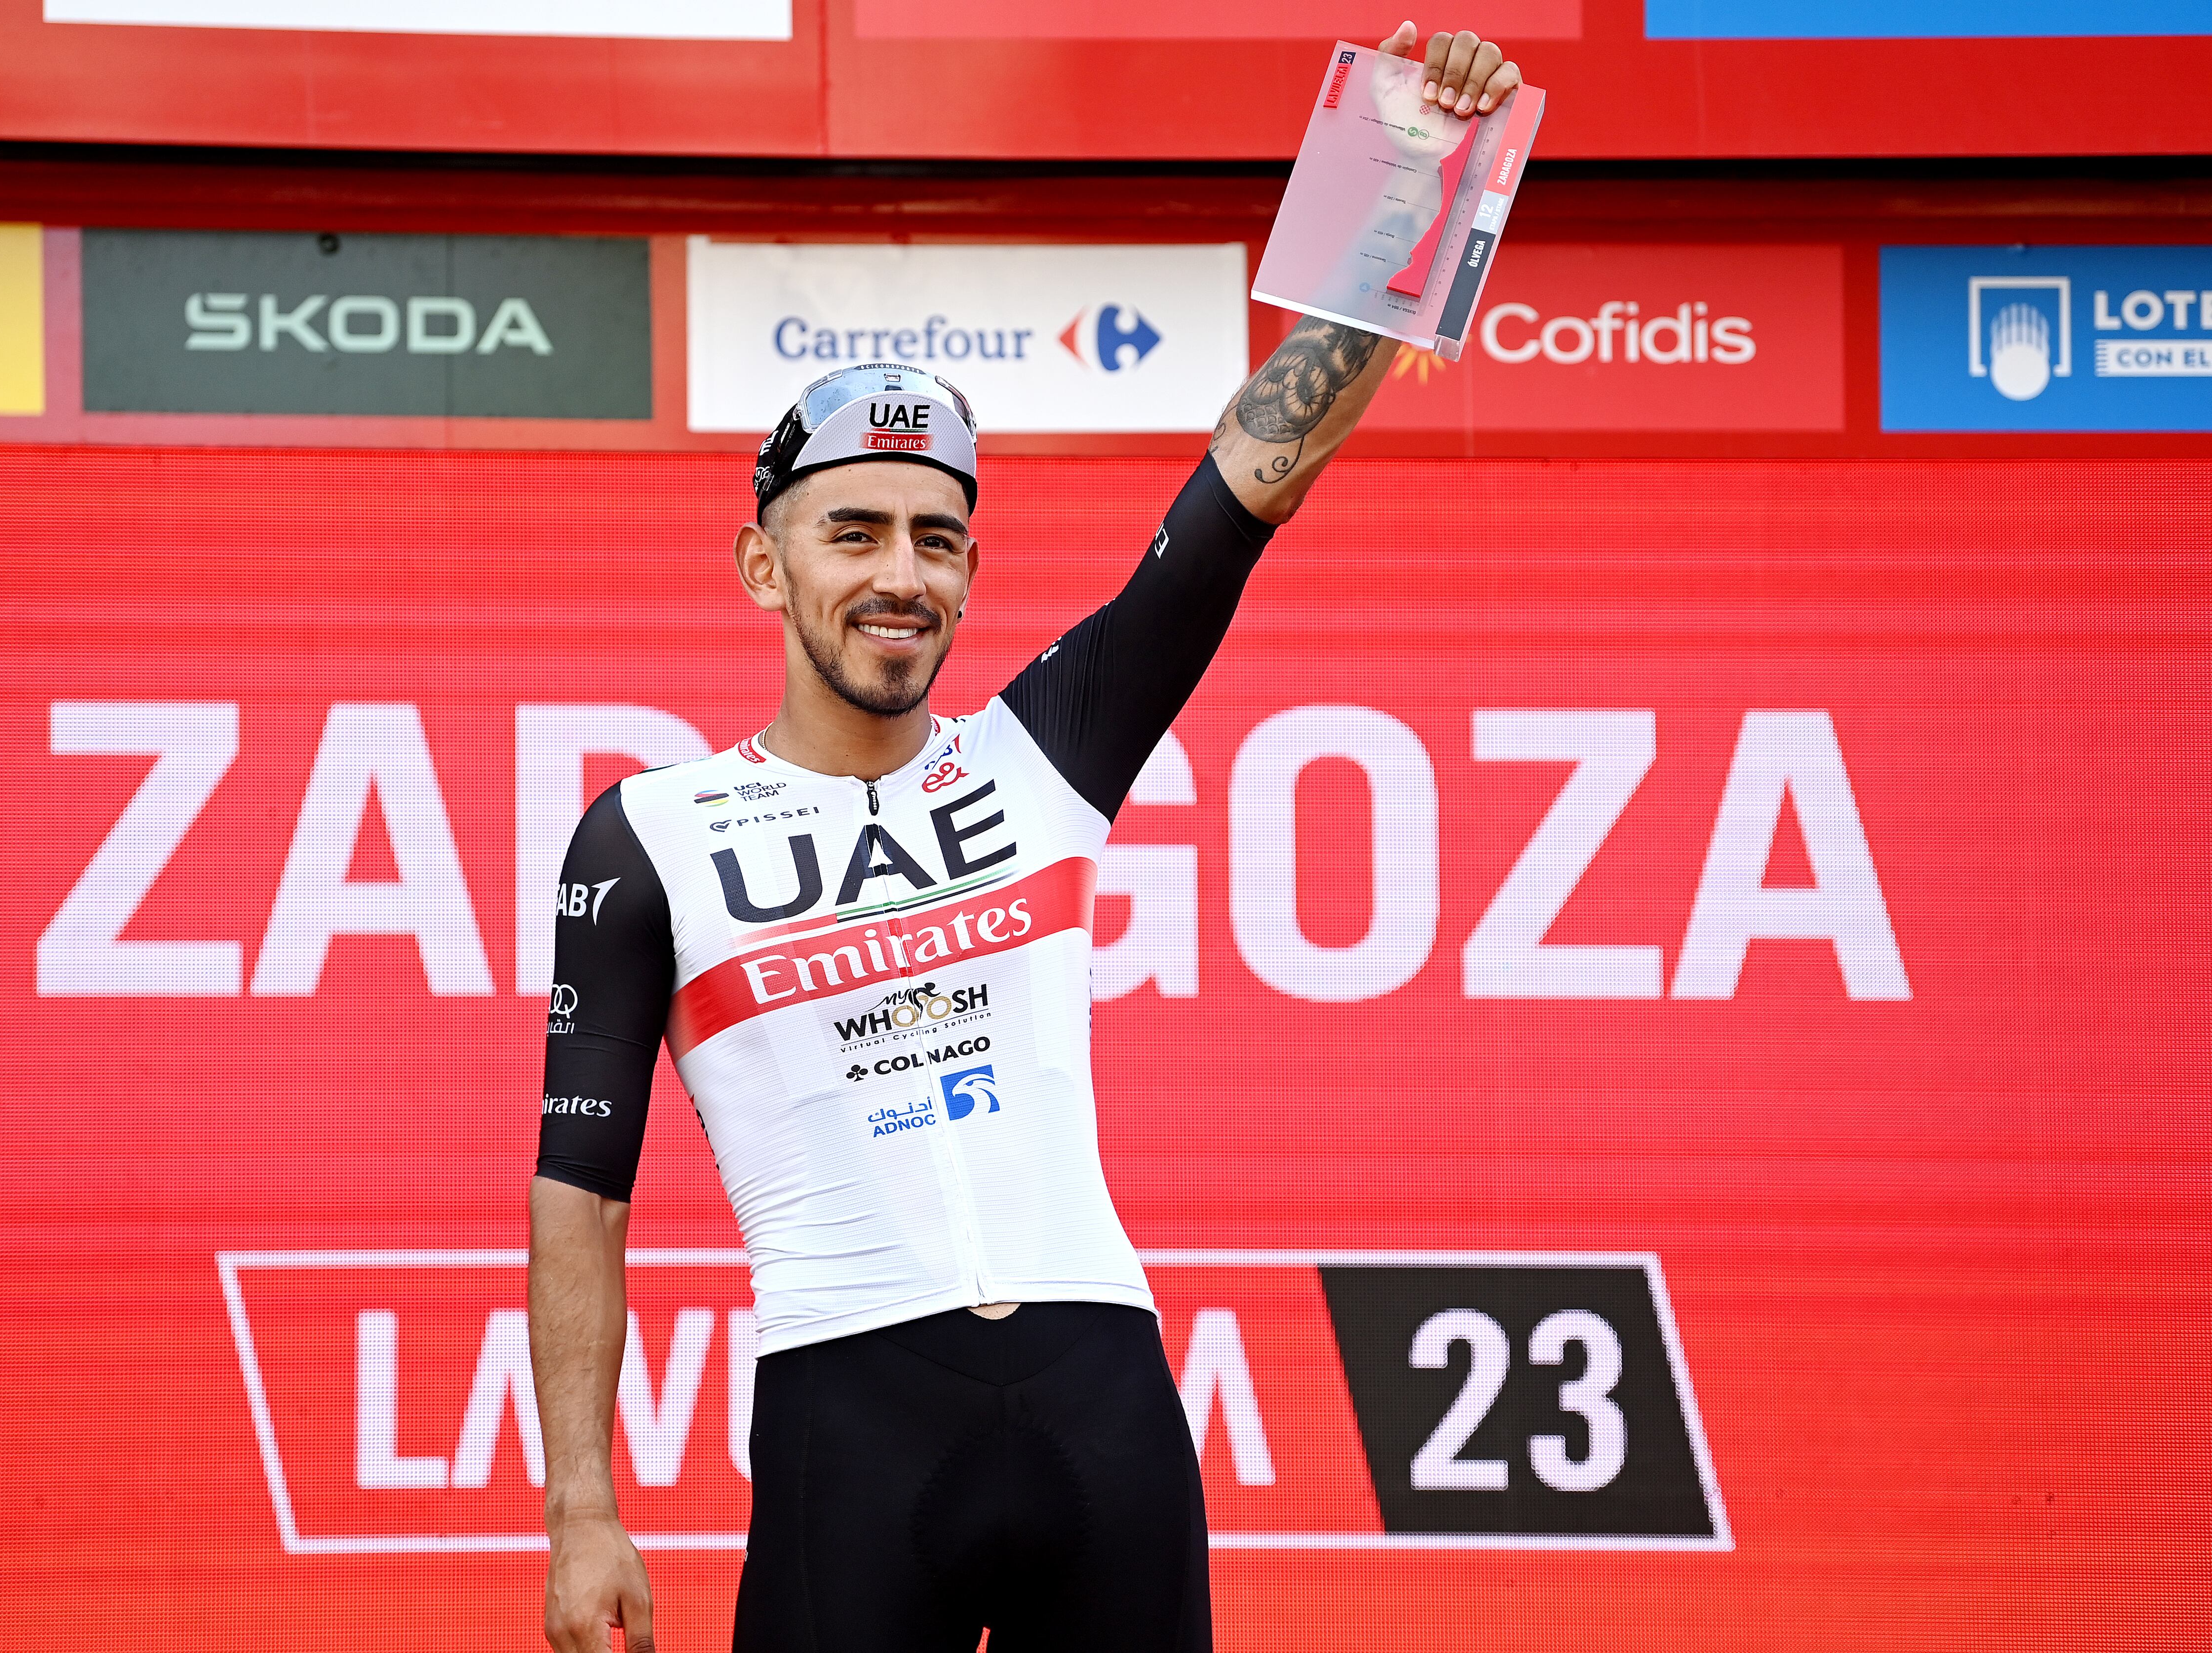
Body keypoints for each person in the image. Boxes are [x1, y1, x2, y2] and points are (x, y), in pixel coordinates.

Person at [530, 26, 1523, 1652]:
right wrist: (584, 1508)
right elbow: (581, 1188)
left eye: (937, 537)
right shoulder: (646, 834)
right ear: (763, 566)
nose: (898, 574)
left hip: (1104, 1407)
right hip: (852, 1418)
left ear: (972, 576)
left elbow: (1248, 485)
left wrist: (1414, 176)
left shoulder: (1041, 752)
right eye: (851, 531)